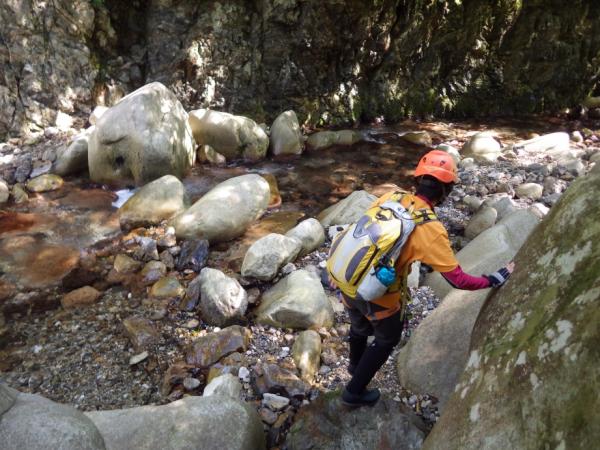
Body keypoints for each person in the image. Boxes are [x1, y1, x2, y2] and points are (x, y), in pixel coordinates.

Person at [339, 149, 515, 407]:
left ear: (418, 180)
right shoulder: (430, 229)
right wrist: (494, 278)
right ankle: (353, 393)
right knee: (387, 339)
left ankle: (355, 366)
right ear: (446, 190)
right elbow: (458, 280)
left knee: (358, 327)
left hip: (348, 278)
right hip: (378, 296)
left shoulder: (392, 196)